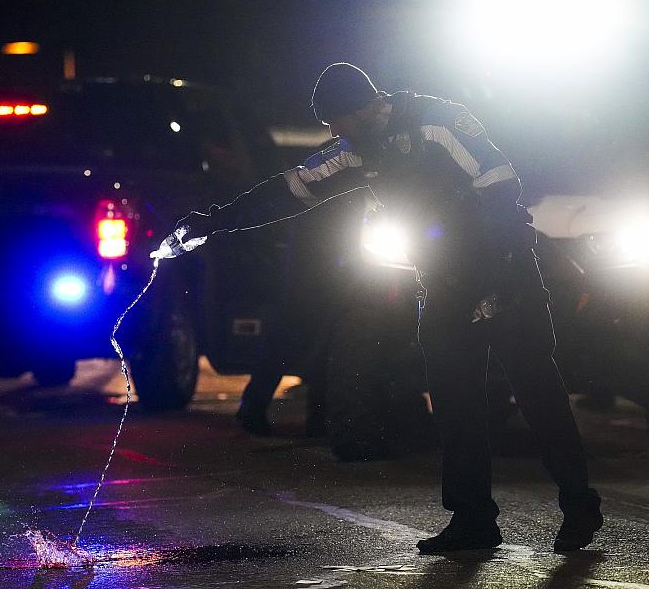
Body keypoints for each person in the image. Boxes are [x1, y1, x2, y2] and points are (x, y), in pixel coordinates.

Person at [154, 63, 603, 553]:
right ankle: (473, 518)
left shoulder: (440, 121)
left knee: (537, 391)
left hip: (506, 272)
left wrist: (491, 276)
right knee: (455, 404)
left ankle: (580, 506)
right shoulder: (354, 151)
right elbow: (288, 192)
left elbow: (501, 188)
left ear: (367, 107)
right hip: (445, 284)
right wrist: (212, 223)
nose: (334, 132)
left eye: (338, 120)